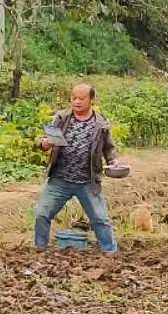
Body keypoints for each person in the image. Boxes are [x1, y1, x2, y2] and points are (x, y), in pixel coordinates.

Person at [34, 82, 120, 255]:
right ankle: (40, 249)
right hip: (60, 178)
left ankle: (110, 253)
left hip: (87, 181)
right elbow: (44, 140)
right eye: (74, 98)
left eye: (81, 98)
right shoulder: (61, 118)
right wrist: (45, 143)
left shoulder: (101, 123)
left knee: (100, 219)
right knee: (41, 214)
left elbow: (109, 148)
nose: (77, 102)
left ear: (92, 100)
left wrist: (113, 160)